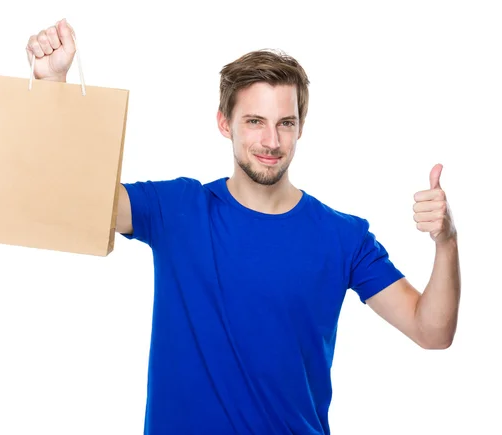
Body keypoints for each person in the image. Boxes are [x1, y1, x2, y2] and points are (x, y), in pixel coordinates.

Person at [26, 19, 461, 435]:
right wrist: (52, 89)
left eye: (285, 123)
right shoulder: (177, 210)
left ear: (300, 128)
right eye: (255, 122)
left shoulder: (343, 237)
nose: (271, 142)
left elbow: (433, 331)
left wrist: (446, 241)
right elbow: (75, 200)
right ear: (224, 123)